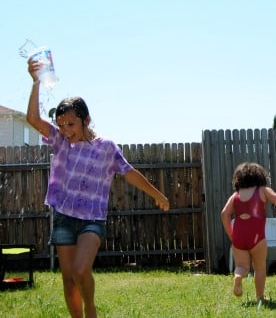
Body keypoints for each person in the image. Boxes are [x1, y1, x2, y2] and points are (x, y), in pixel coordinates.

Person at [26, 59, 170, 318]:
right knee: (68, 281)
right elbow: (33, 118)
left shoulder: (105, 147)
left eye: (71, 124)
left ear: (86, 119)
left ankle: (90, 308)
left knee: (81, 271)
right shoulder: (60, 142)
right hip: (64, 218)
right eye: (61, 125)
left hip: (92, 220)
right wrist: (36, 81)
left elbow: (130, 173)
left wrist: (157, 194)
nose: (65, 130)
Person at [221, 162, 276, 302]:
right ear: (260, 177)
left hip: (238, 236)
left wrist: (231, 235)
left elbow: (224, 214)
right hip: (256, 236)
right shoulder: (263, 190)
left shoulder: (235, 195)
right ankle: (260, 297)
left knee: (242, 266)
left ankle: (238, 276)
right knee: (259, 267)